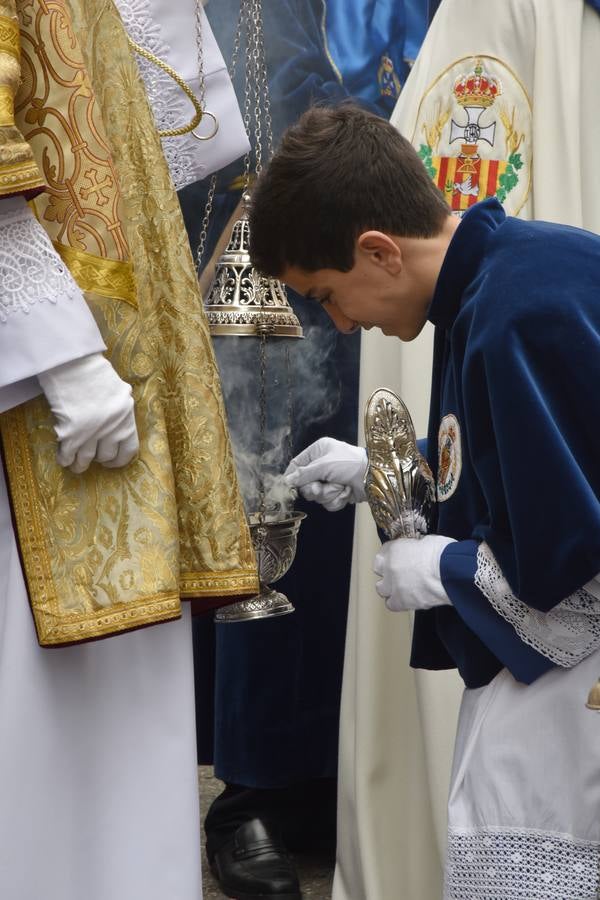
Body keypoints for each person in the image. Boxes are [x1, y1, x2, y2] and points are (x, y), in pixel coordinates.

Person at [248, 103, 600, 899]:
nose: (341, 323)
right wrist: (390, 467)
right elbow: (533, 464)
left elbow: (581, 585)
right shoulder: (503, 275)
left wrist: (445, 569)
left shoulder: (511, 316)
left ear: (379, 251)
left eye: (328, 294)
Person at [0, 2, 257, 898]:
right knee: (46, 719)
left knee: (115, 722)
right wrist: (59, 352)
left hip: (101, 328)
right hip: (39, 374)